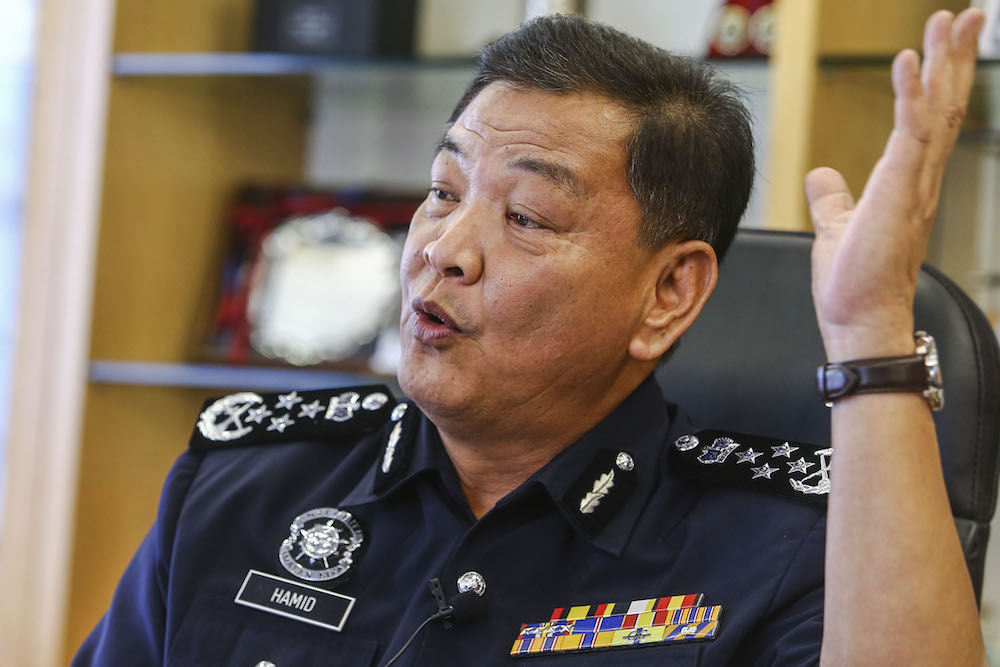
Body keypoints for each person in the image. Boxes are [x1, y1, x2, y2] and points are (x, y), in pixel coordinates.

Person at [74, 8, 988, 666]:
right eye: (442, 189)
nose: (443, 249)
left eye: (527, 216)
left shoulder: (780, 548)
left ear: (669, 292)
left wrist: (869, 334)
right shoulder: (247, 483)